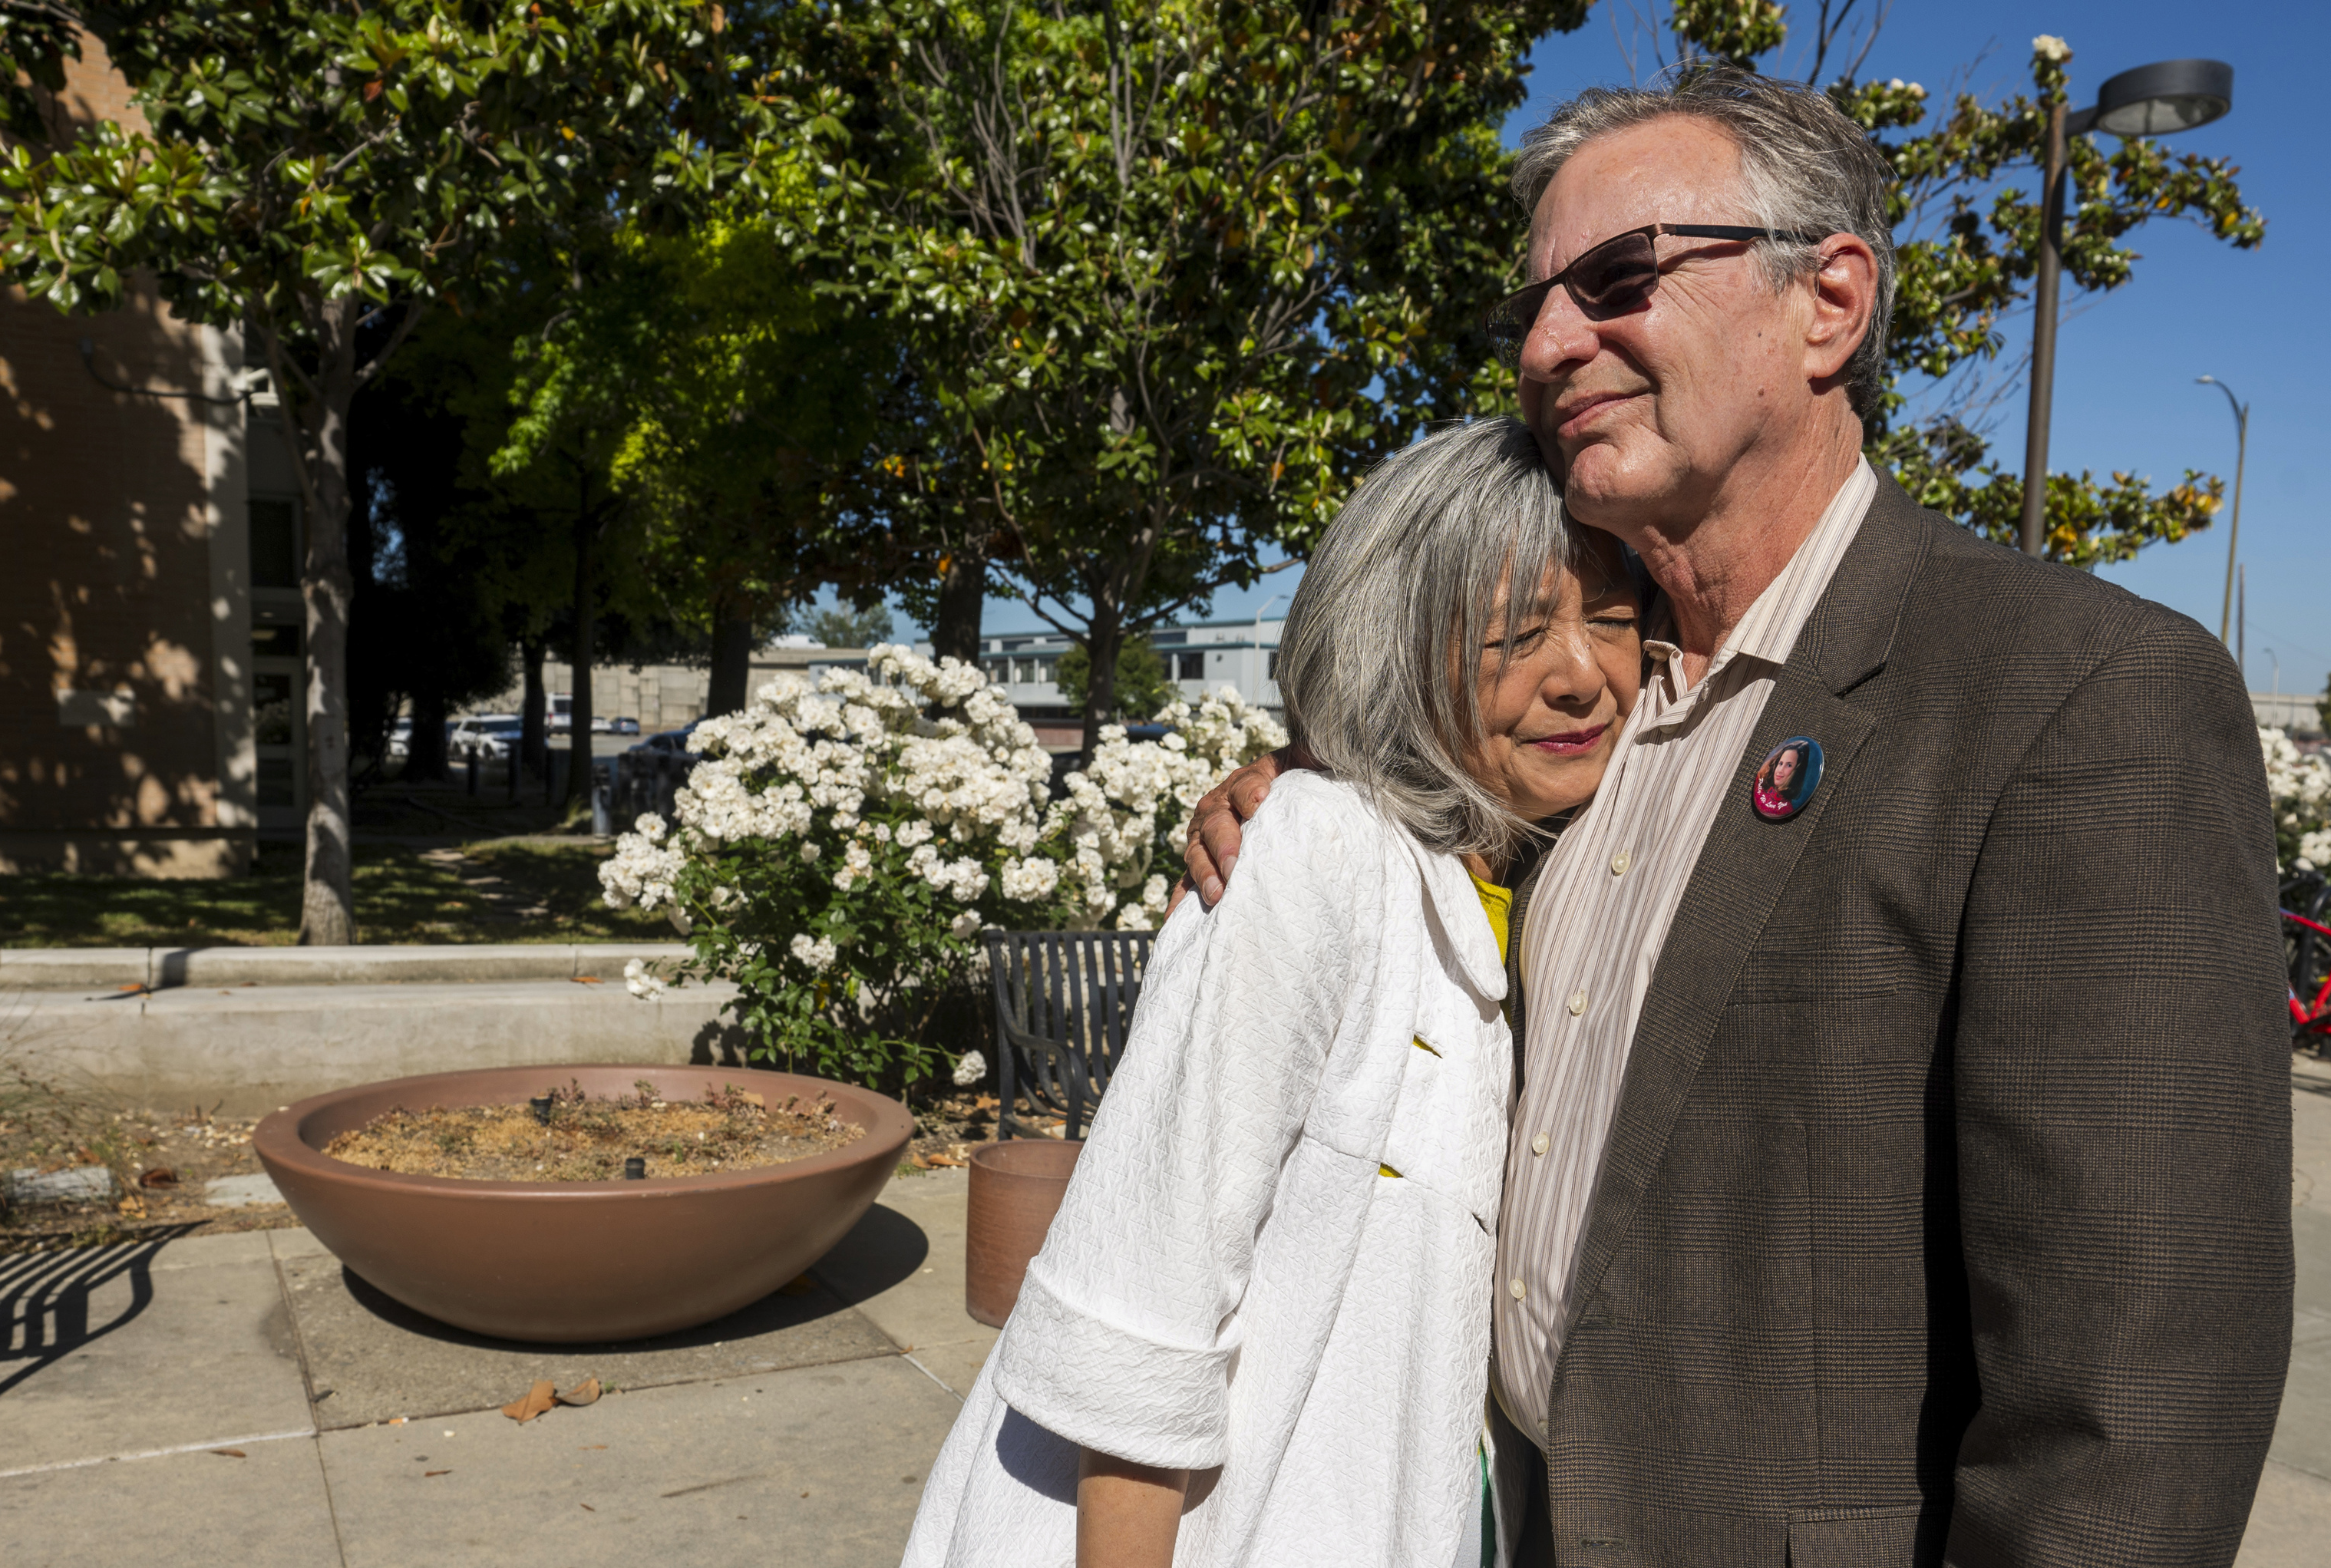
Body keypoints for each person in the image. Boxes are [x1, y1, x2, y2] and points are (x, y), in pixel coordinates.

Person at [1183, 68, 2292, 1566]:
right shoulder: (1586, 713)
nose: (1549, 341)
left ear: (1828, 302)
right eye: (1535, 304)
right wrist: (1299, 794)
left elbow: (2130, 1417)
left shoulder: (2085, 698)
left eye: (1618, 278)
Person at [902, 417, 1644, 1568]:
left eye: (1611, 616)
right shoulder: (1315, 851)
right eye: (1518, 630)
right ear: (1396, 650)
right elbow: (1141, 1302)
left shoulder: (1536, 877)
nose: (1584, 673)